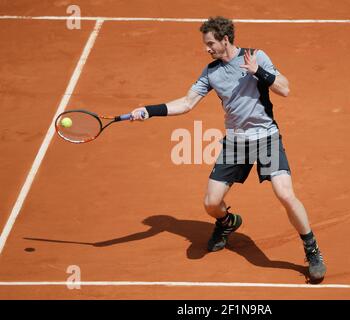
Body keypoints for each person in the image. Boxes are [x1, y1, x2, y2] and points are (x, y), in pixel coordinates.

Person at [130, 16, 326, 281]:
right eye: (205, 44)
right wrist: (149, 110)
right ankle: (227, 223)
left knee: (285, 194)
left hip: (266, 137)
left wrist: (258, 71)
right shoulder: (211, 72)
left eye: (210, 43)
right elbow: (187, 103)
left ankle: (312, 249)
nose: (206, 48)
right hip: (235, 142)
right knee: (211, 203)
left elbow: (285, 89)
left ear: (225, 40)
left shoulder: (255, 56)